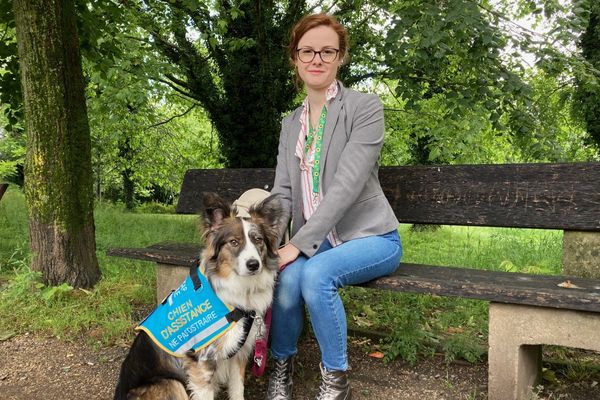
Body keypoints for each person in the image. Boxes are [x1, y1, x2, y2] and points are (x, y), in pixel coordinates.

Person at [268, 13, 402, 400]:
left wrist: (297, 244)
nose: (317, 59)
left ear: (341, 57)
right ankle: (281, 368)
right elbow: (282, 194)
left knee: (315, 276)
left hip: (372, 237)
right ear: (294, 57)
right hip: (319, 241)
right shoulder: (290, 124)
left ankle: (335, 380)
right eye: (307, 51)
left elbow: (346, 186)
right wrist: (269, 246)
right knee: (288, 280)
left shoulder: (364, 108)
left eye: (327, 51)